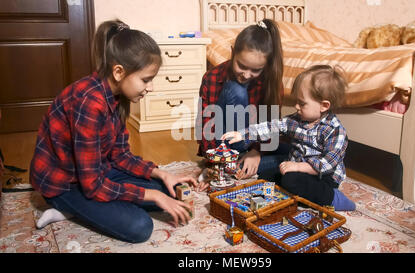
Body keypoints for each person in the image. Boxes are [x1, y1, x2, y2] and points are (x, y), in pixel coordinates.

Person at [30, 20, 198, 243]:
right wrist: (152, 195)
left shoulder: (116, 96)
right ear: (119, 71)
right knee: (139, 226)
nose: (151, 87)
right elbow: (92, 185)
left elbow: (119, 155)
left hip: (95, 171)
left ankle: (90, 210)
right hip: (65, 183)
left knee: (169, 190)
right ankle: (67, 208)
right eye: (146, 80)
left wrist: (161, 173)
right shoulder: (88, 102)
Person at [222, 65, 356, 211]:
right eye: (296, 101)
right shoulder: (297, 120)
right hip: (296, 167)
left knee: (290, 180)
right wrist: (243, 134)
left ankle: (334, 199)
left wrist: (298, 167)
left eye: (302, 103)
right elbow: (273, 126)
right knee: (267, 176)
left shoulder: (335, 131)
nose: (296, 106)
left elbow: (327, 164)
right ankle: (272, 198)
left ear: (323, 106)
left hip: (323, 178)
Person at [197, 19, 287, 184]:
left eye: (256, 70)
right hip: (223, 147)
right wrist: (214, 161)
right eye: (242, 65)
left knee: (298, 153)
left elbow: (272, 129)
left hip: (251, 144)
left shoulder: (272, 82)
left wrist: (256, 152)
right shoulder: (212, 77)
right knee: (237, 89)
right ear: (232, 53)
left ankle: (235, 168)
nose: (246, 75)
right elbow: (205, 126)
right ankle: (225, 166)